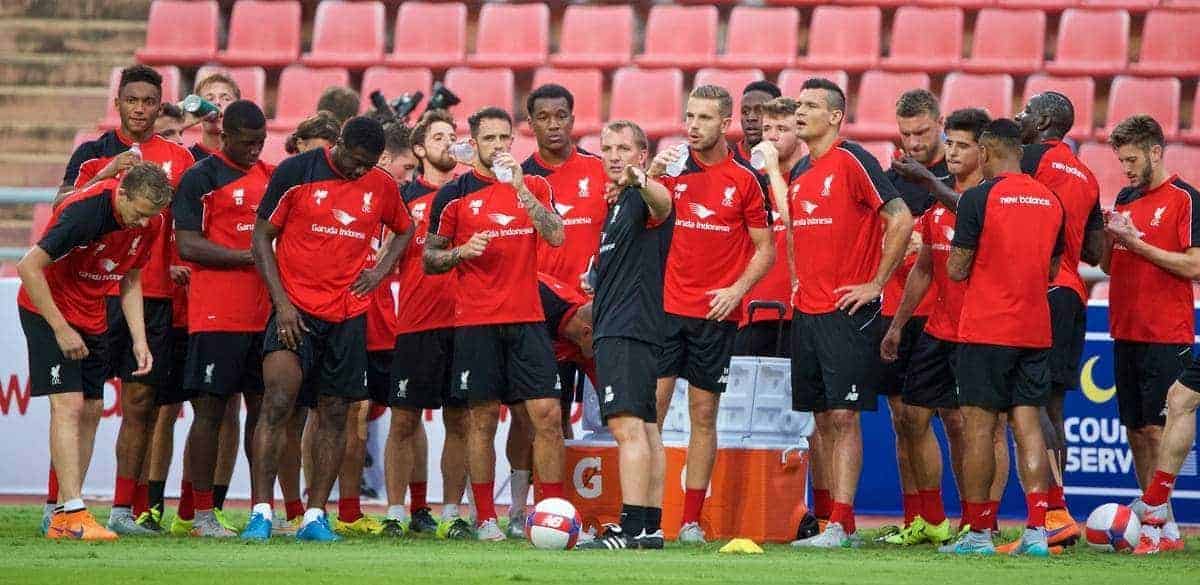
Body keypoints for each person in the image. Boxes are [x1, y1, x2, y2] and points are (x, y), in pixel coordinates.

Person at [241, 117, 414, 542]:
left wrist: (380, 270)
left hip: (347, 315)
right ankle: (261, 511)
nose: (360, 171)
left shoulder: (381, 184)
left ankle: (316, 516)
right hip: (294, 310)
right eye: (355, 161)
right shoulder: (296, 172)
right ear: (340, 144)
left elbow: (405, 229)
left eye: (368, 164)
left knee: (336, 414)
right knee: (278, 402)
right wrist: (280, 303)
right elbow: (262, 237)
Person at [56, 64, 195, 536]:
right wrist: (107, 175)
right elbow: (62, 206)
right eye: (132, 100)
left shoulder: (179, 159)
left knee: (140, 404)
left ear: (160, 106)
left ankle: (122, 510)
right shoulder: (93, 153)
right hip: (90, 291)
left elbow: (185, 223)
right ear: (118, 102)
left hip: (150, 292)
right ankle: (59, 504)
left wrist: (178, 262)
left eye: (149, 101)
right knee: (74, 403)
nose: (140, 108)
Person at [423, 106, 565, 542]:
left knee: (547, 416)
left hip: (527, 318)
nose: (500, 147)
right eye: (491, 140)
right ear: (474, 143)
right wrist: (461, 253)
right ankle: (486, 517)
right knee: (481, 420)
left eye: (506, 139)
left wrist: (521, 189)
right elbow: (430, 259)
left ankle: (550, 516)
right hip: (477, 321)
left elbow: (556, 234)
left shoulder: (535, 184)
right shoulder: (454, 194)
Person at [786, 78, 913, 549]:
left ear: (836, 116)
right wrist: (798, 280)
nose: (800, 112)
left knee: (843, 417)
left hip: (848, 310)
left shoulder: (853, 158)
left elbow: (899, 217)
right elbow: (798, 236)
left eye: (811, 106)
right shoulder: (801, 169)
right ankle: (835, 525)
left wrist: (877, 284)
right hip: (808, 311)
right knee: (820, 418)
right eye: (799, 104)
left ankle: (840, 522)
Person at [20, 163, 173, 540]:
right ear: (121, 193)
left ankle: (66, 515)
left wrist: (139, 339)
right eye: (137, 213)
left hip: (93, 314)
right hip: (47, 310)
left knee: (90, 409)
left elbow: (131, 278)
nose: (142, 223)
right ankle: (72, 510)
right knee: (68, 405)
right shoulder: (86, 212)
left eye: (149, 216)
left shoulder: (149, 222)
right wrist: (60, 328)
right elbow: (28, 267)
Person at [650, 85, 774, 544]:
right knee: (651, 415)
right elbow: (637, 220)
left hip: (714, 316)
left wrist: (737, 291)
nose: (693, 126)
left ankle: (688, 522)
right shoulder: (670, 174)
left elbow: (766, 250)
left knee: (704, 416)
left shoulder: (745, 180)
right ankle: (644, 516)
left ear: (726, 124)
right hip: (665, 311)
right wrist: (649, 173)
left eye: (703, 118)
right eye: (689, 116)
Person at [940, 119, 1065, 557]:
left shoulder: (979, 196)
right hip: (1034, 328)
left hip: (987, 329)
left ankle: (978, 532)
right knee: (1028, 425)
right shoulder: (1051, 199)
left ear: (988, 154)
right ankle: (1035, 530)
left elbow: (956, 268)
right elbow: (1052, 271)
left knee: (979, 427)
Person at [881, 108, 992, 545]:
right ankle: (930, 517)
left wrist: (929, 183)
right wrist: (896, 326)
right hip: (936, 329)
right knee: (910, 418)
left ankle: (977, 519)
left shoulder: (988, 200)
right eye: (953, 145)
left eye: (960, 145)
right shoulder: (934, 210)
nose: (952, 153)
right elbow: (924, 269)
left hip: (978, 332)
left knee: (971, 425)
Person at [508, 84, 609, 533]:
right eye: (543, 117)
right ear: (529, 124)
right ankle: (523, 507)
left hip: (591, 318)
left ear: (573, 118)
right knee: (534, 419)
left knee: (620, 414)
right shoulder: (518, 179)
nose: (553, 125)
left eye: (561, 116)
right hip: (536, 316)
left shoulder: (599, 171)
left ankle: (618, 509)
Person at [171, 100, 272, 537]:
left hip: (264, 313)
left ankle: (259, 511)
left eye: (261, 143)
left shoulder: (270, 178)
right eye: (247, 143)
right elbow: (188, 245)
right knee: (209, 413)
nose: (254, 150)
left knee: (264, 414)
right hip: (215, 315)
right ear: (225, 136)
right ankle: (202, 514)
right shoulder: (200, 178)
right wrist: (246, 257)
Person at [1102, 115, 1198, 554]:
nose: (1127, 169)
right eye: (1122, 160)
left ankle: (1161, 521)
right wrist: (1110, 238)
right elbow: (1108, 266)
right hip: (1125, 328)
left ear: (1156, 151)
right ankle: (1165, 528)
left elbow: (1195, 266)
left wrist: (1137, 243)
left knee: (1161, 428)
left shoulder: (1185, 199)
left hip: (1166, 330)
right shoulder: (1124, 197)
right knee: (1138, 430)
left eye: (1133, 159)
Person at [576, 119, 674, 550]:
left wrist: (642, 179)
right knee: (648, 431)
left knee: (627, 430)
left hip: (627, 328)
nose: (614, 156)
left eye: (623, 148)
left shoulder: (640, 194)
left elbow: (663, 202)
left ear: (641, 155)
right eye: (607, 148)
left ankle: (631, 527)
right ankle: (650, 527)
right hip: (632, 325)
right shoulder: (616, 204)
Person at [1012, 92, 1104, 547]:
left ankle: (1053, 513)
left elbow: (997, 204)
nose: (1018, 116)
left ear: (1045, 119)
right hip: (1072, 293)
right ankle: (1059, 513)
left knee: (1026, 404)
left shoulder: (1027, 158)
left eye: (1026, 111)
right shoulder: (1087, 173)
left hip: (1037, 288)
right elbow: (1095, 251)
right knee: (1052, 405)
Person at [377, 110, 469, 539]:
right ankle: (397, 511)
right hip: (415, 321)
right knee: (404, 419)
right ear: (419, 148)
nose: (449, 142)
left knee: (461, 421)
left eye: (453, 136)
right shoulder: (401, 199)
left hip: (466, 321)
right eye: (438, 136)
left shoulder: (470, 195)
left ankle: (451, 513)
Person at [334, 121, 419, 536]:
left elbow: (407, 239)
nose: (409, 176)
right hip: (349, 323)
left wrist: (382, 267)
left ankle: (407, 509)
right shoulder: (351, 193)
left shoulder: (392, 203)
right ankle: (345, 510)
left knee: (404, 415)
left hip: (387, 326)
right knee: (351, 414)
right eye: (406, 166)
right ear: (385, 158)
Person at [189, 72, 241, 161]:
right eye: (209, 99)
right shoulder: (185, 158)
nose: (217, 102)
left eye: (226, 99)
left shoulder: (247, 160)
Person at [731, 81, 782, 162]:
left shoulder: (792, 164)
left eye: (760, 111)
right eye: (745, 112)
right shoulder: (728, 159)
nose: (750, 118)